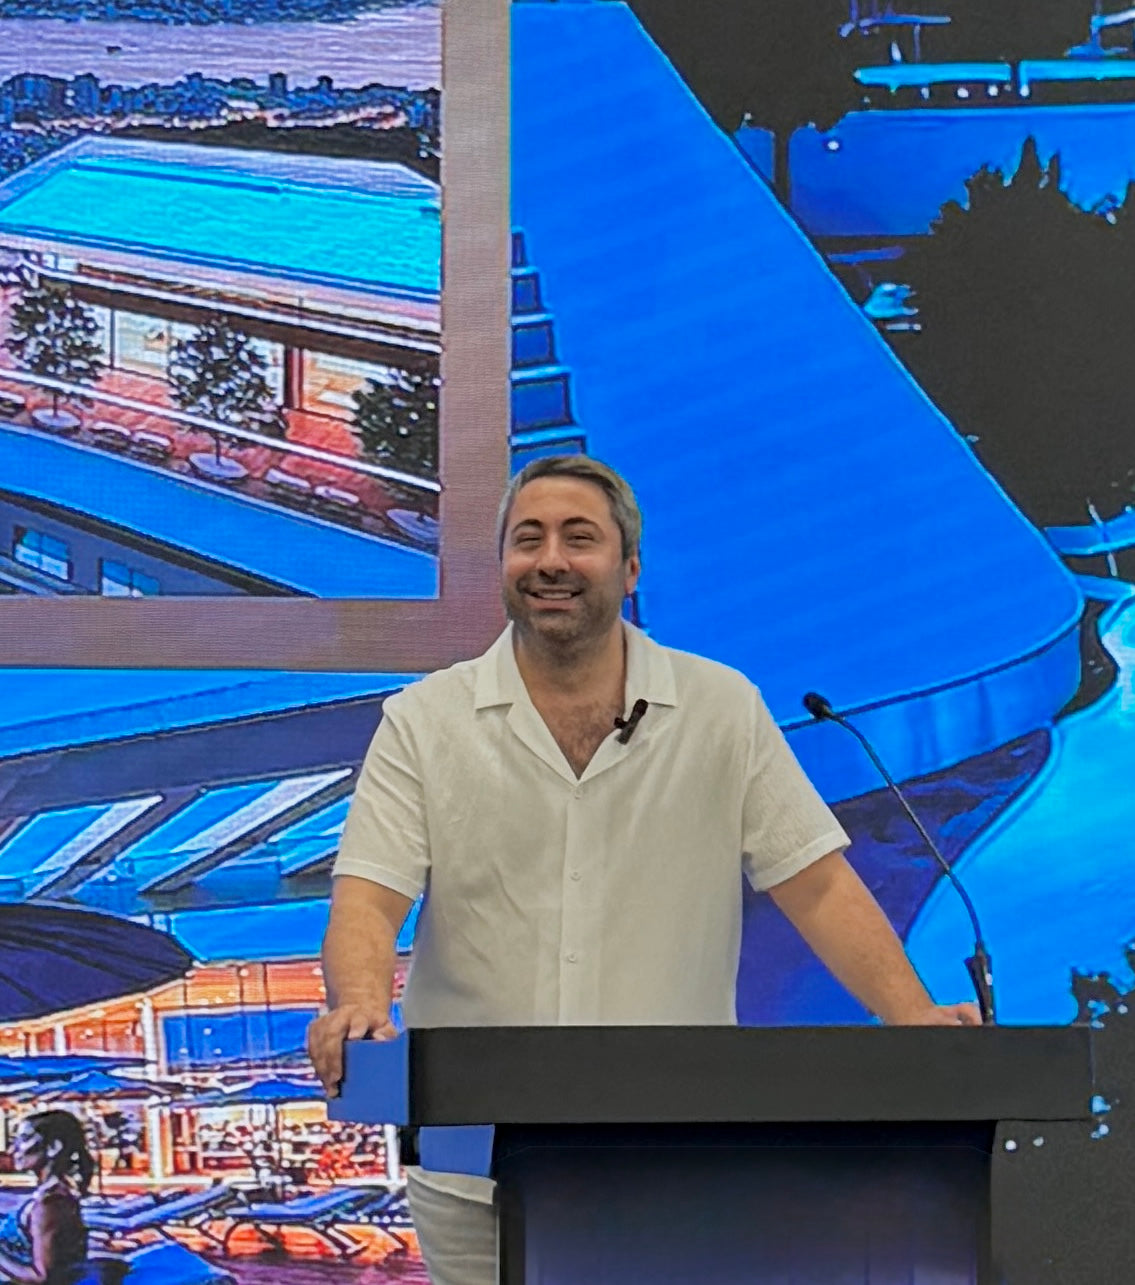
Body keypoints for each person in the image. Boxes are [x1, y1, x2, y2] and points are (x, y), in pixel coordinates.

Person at [308, 455, 980, 1285]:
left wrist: (913, 1017)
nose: (550, 560)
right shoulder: (423, 720)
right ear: (502, 566)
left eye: (578, 538)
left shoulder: (720, 707)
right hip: (470, 1164)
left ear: (629, 568)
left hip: (671, 1160)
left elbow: (815, 882)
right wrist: (359, 1004)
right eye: (527, 539)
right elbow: (369, 897)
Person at [0, 1110, 92, 1285]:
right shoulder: (54, 1195)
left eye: (24, 1139)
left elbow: (42, 1277)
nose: (13, 1150)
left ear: (53, 1147)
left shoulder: (50, 1204)